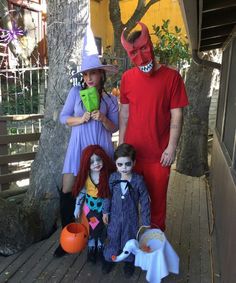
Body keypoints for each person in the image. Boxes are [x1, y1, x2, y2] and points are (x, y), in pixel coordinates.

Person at [54, 25, 119, 257]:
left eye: (93, 73)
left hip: (100, 151)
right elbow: (63, 118)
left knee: (101, 192)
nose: (89, 78)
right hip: (77, 149)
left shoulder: (110, 99)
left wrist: (102, 118)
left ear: (101, 74)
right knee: (68, 188)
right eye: (86, 74)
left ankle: (100, 237)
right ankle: (67, 238)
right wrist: (80, 119)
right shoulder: (75, 93)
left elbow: (116, 126)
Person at [119, 22, 189, 231]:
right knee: (129, 202)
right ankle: (130, 245)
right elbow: (124, 114)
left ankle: (154, 248)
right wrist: (122, 146)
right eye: (133, 53)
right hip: (132, 156)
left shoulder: (172, 77)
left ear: (151, 44)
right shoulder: (127, 78)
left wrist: (171, 147)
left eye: (143, 48)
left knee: (157, 206)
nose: (140, 57)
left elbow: (177, 115)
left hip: (159, 156)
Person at [102, 143, 150, 278]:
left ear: (134, 163)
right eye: (120, 164)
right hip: (115, 217)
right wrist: (105, 211)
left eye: (127, 164)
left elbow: (145, 201)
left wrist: (145, 222)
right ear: (116, 164)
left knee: (129, 238)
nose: (124, 168)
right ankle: (110, 258)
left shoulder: (138, 181)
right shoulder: (113, 178)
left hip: (131, 218)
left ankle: (129, 260)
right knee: (113, 236)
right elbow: (107, 195)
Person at [72, 145, 116, 263]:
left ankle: (100, 245)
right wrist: (77, 206)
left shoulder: (107, 176)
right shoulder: (86, 177)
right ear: (86, 163)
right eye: (91, 162)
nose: (96, 163)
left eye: (98, 159)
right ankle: (92, 246)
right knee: (93, 227)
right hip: (90, 208)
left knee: (103, 227)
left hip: (104, 208)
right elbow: (81, 192)